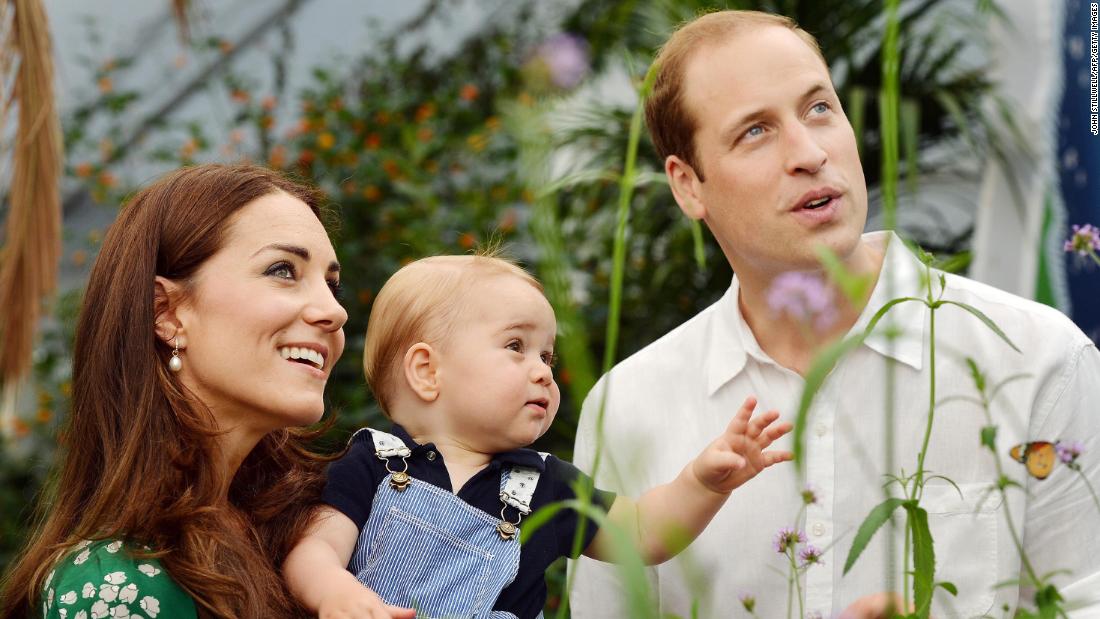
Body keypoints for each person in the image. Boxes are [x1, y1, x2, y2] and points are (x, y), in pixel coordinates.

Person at [569, 9, 1100, 619]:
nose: (809, 152)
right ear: (688, 186)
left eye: (818, 108)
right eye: (755, 132)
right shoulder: (629, 407)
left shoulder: (1036, 359)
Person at [282, 254, 794, 619]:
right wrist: (333, 593)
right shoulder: (373, 462)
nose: (543, 371)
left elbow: (643, 533)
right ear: (427, 371)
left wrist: (704, 484)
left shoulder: (546, 484)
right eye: (515, 346)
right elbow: (313, 549)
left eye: (547, 356)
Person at [0, 164, 349, 618]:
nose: (333, 312)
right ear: (165, 312)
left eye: (332, 284)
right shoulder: (117, 583)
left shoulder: (316, 540)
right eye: (283, 270)